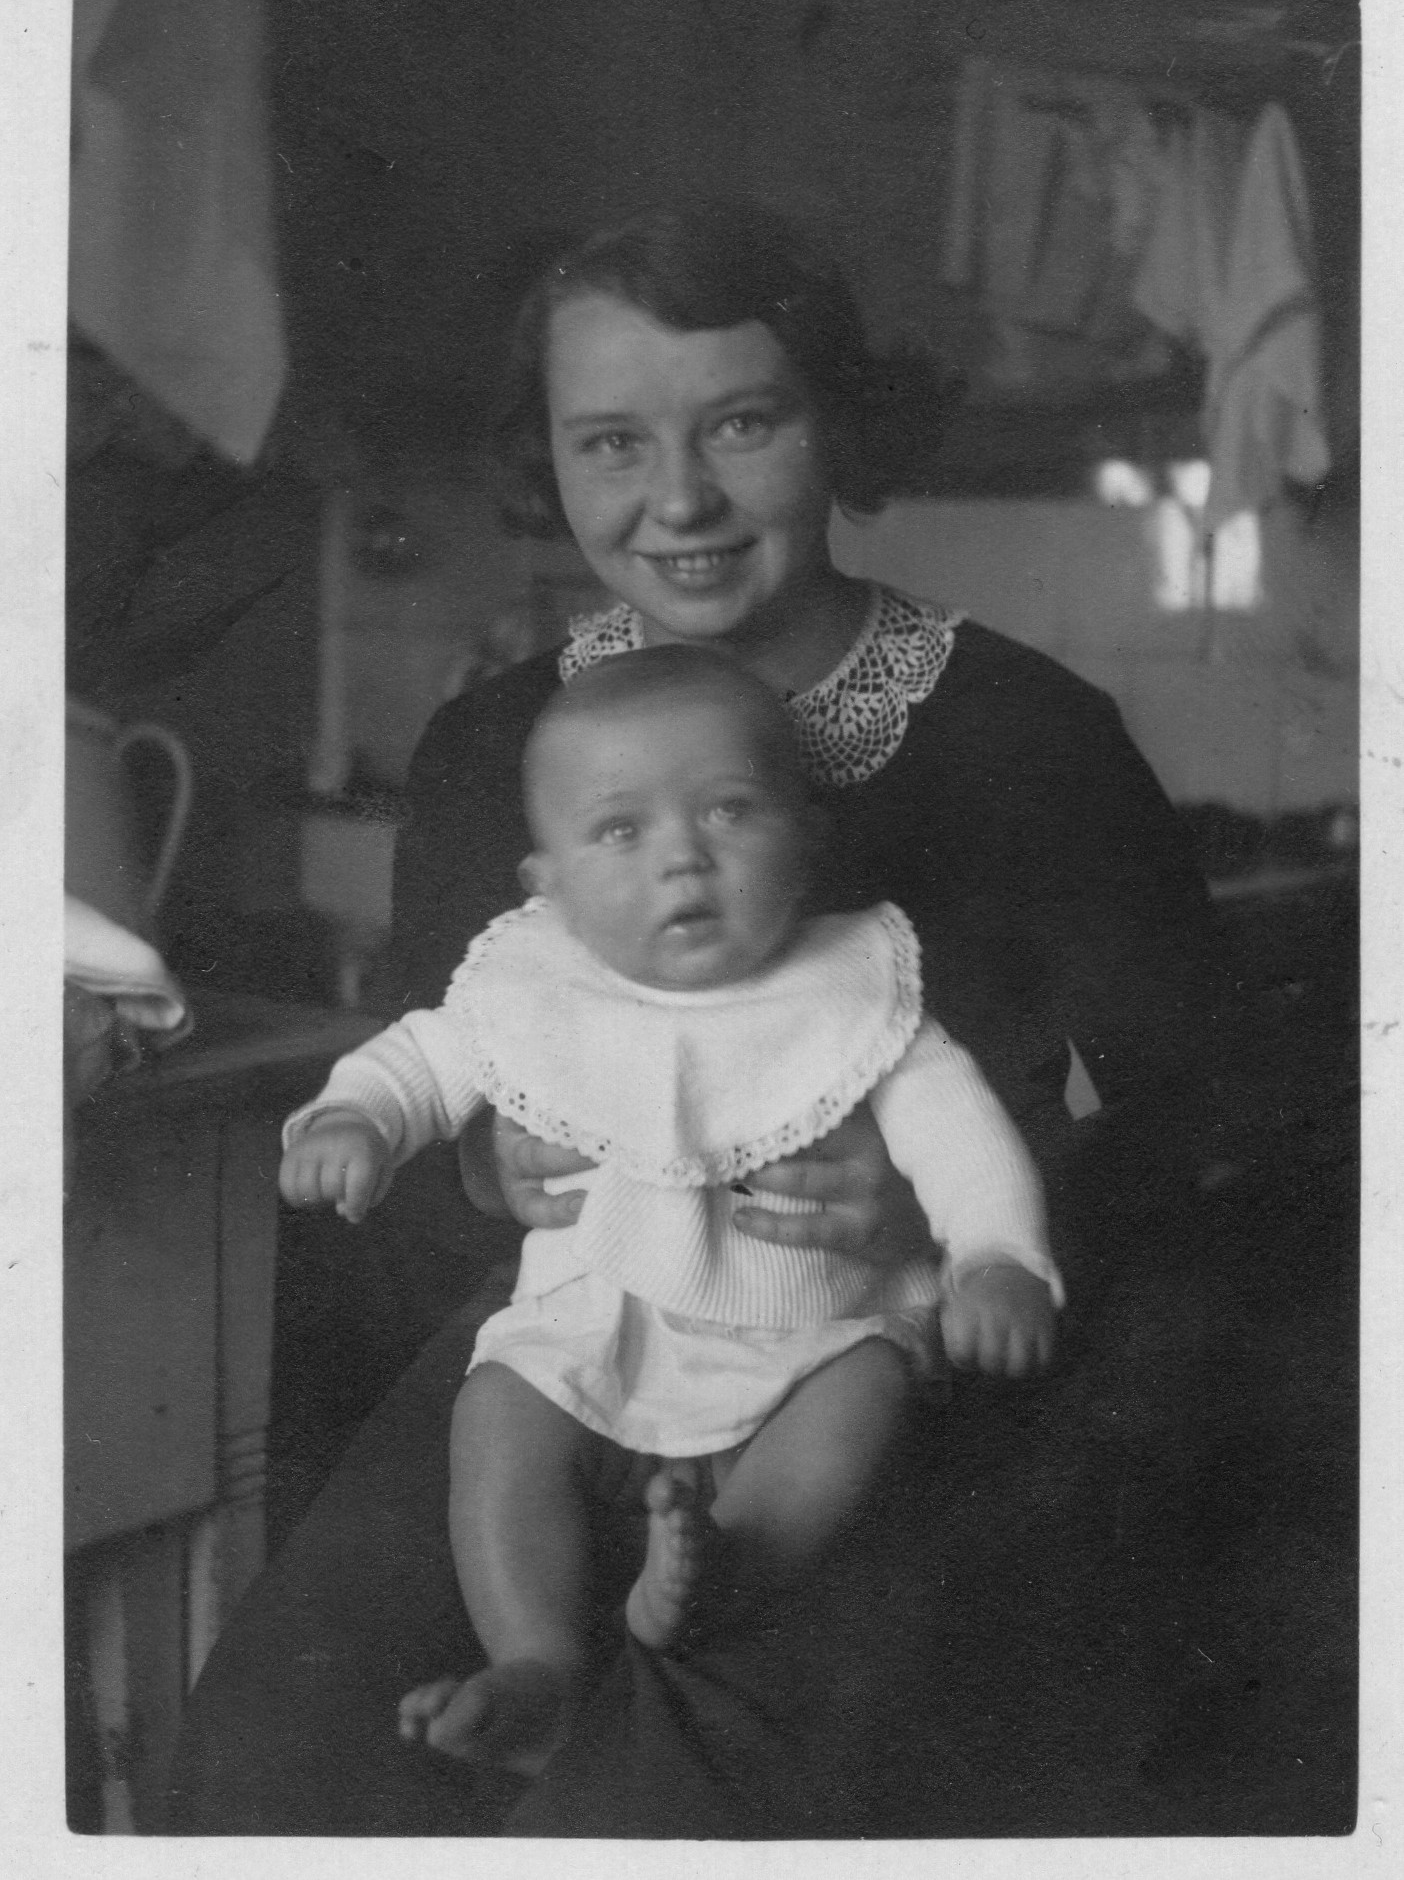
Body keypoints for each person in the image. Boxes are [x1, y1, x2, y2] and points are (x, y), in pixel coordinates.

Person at [166, 203, 1223, 1837]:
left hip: (906, 1377)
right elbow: (440, 1086)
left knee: (668, 1781)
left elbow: (1217, 1119)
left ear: (837, 425)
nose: (677, 501)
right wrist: (482, 1172)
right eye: (611, 441)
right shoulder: (493, 744)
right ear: (550, 457)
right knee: (281, 1756)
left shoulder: (1029, 734)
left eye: (741, 423)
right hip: (576, 1345)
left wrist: (958, 1229)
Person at [277, 644, 1063, 1772]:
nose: (682, 857)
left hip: (806, 1329)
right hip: (601, 1319)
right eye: (619, 830)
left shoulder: (850, 992)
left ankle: (723, 1571)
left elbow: (961, 1132)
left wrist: (996, 1256)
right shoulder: (537, 983)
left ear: (807, 838)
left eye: (729, 810)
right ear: (547, 883)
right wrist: (354, 1119)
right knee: (499, 1406)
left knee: (868, 1387)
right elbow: (419, 1061)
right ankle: (538, 1661)